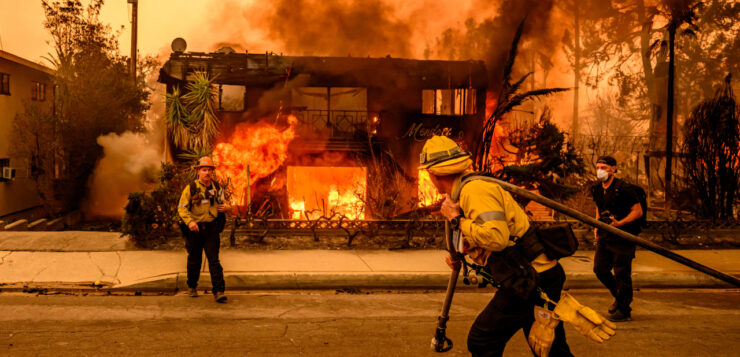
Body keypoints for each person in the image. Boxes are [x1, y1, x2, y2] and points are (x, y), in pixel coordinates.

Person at [420, 135, 572, 357]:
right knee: (548, 348)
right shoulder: (462, 192)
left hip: (531, 279)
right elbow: (480, 233)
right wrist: (459, 254)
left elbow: (496, 238)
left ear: (432, 174)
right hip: (534, 275)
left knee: (483, 340)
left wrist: (455, 219)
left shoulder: (475, 190)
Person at [590, 155, 643, 322]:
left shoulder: (624, 189)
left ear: (613, 169)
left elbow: (637, 211)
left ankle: (624, 309)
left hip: (623, 235)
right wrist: (596, 226)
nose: (600, 171)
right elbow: (599, 208)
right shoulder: (597, 188)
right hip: (605, 235)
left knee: (622, 272)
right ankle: (620, 299)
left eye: (604, 168)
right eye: (598, 167)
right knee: (600, 269)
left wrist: (620, 223)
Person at [178, 156, 230, 303]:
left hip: (211, 229)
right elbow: (181, 209)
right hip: (194, 230)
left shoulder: (217, 188)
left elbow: (224, 203)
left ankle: (219, 291)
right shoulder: (191, 188)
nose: (207, 173)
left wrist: (226, 207)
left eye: (209, 170)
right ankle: (192, 286)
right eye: (204, 170)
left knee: (214, 260)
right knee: (194, 259)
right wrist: (189, 222)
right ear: (198, 172)